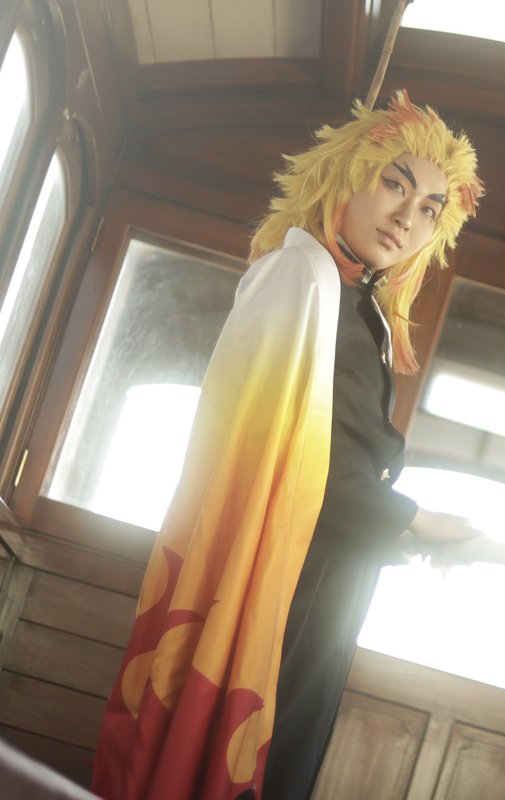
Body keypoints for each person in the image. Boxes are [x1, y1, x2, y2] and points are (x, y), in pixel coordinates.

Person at [91, 90, 484, 800]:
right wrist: (417, 519)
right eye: (395, 184)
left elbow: (332, 457)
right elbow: (300, 460)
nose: (408, 217)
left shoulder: (353, 302)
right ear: (344, 177)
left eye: (431, 208)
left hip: (324, 579)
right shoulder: (300, 278)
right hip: (284, 581)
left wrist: (399, 533)